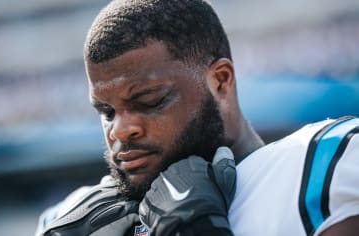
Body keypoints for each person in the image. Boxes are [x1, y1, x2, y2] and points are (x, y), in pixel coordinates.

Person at [35, 0, 359, 235]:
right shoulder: (72, 219)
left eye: (149, 100)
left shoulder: (330, 164)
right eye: (106, 112)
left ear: (220, 80)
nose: (121, 129)